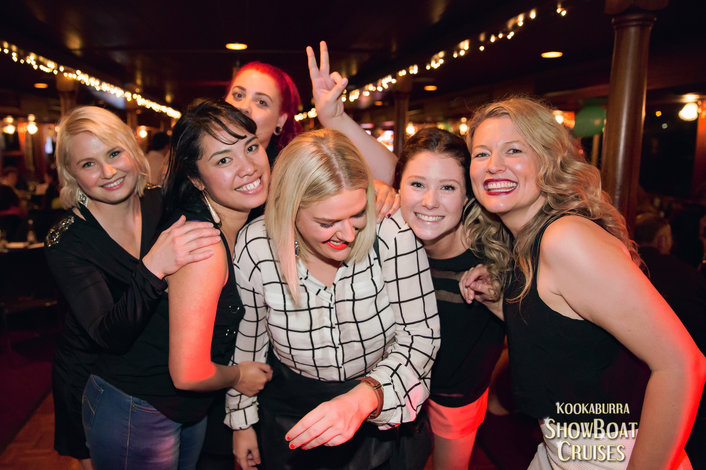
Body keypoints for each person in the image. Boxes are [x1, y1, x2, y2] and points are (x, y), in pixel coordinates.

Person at [459, 97, 706, 469]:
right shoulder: (530, 242)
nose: (494, 165)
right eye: (481, 153)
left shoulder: (565, 238)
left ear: (549, 160)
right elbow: (572, 342)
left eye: (513, 150)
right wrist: (504, 304)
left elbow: (683, 365)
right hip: (563, 448)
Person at [225, 128, 440, 470]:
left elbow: (420, 337)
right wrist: (242, 422)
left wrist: (366, 397)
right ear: (290, 208)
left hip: (380, 408)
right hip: (290, 410)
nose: (349, 234)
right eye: (327, 222)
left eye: (358, 214)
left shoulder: (392, 233)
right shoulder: (257, 246)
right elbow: (249, 340)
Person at [79, 100, 272, 469]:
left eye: (250, 147)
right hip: (137, 407)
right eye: (223, 160)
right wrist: (239, 376)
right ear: (196, 179)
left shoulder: (243, 225)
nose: (248, 166)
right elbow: (189, 373)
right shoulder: (204, 246)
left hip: (178, 409)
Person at [45, 105, 222, 470]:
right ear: (71, 174)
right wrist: (154, 266)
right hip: (102, 384)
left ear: (132, 150)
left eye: (114, 153)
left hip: (174, 386)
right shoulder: (67, 241)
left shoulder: (163, 203)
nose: (108, 172)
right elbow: (109, 335)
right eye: (88, 164)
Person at [394, 127, 504, 470]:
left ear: (468, 196)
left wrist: (498, 299)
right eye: (417, 184)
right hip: (395, 384)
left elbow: (542, 329)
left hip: (458, 393)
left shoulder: (493, 255)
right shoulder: (385, 242)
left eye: (448, 187)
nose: (430, 201)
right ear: (397, 188)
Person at [225, 42, 398, 213]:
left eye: (261, 102)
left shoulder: (294, 172)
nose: (244, 107)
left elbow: (392, 175)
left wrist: (335, 118)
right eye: (238, 95)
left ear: (280, 120)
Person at [634, 213, 706, 469]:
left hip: (629, 380)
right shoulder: (687, 275)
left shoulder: (624, 267)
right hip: (682, 375)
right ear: (663, 241)